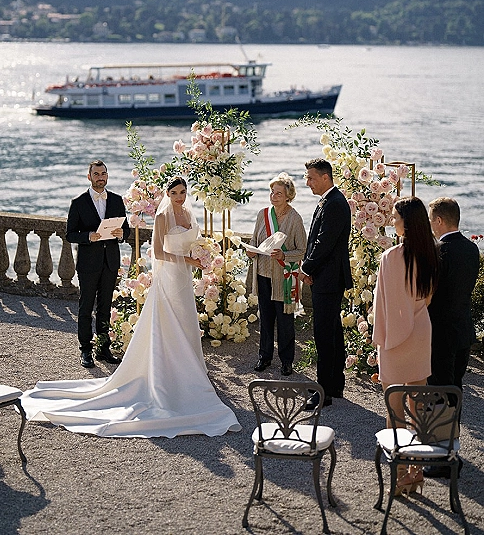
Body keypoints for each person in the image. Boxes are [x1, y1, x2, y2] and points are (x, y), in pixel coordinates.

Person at [21, 178, 241, 437]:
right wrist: (188, 259)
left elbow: (195, 242)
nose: (179, 197)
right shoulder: (163, 217)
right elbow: (158, 253)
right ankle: (166, 376)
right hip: (169, 276)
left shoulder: (190, 214)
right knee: (167, 323)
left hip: (184, 278)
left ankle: (190, 369)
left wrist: (202, 254)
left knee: (185, 320)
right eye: (174, 193)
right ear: (167, 194)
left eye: (182, 192)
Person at [372, 196, 440, 496]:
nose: (393, 222)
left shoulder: (390, 257)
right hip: (420, 330)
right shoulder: (432, 254)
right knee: (419, 405)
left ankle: (400, 472)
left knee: (394, 408)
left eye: (396, 218)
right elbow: (427, 298)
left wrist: (386, 335)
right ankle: (416, 471)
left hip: (392, 334)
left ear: (406, 223)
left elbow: (382, 303)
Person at [424, 197, 479, 479]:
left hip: (440, 333)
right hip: (463, 330)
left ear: (439, 221)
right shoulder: (472, 249)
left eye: (431, 220)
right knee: (454, 391)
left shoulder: (437, 251)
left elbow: (428, 296)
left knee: (439, 393)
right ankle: (451, 450)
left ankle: (443, 458)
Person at [66, 160, 130, 368]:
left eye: (103, 173)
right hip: (88, 263)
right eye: (96, 174)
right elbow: (70, 235)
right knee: (85, 307)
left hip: (110, 262)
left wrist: (122, 234)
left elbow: (126, 229)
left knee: (105, 308)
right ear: (89, 177)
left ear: (107, 176)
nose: (100, 177)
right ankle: (85, 350)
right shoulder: (78, 202)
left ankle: (103, 349)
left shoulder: (117, 201)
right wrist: (88, 236)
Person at [300, 158, 352, 409]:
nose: (307, 182)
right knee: (332, 330)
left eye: (310, 177)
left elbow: (324, 243)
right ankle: (334, 384)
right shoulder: (331, 201)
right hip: (327, 276)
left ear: (325, 177)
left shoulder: (335, 203)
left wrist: (305, 267)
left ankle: (324, 392)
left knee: (324, 333)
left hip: (328, 278)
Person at [247, 173, 306, 375]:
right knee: (266, 319)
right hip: (263, 274)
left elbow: (302, 250)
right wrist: (250, 251)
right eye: (272, 192)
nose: (274, 196)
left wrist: (284, 254)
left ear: (288, 195)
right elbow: (255, 243)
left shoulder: (295, 218)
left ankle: (287, 361)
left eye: (279, 193)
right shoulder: (262, 214)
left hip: (284, 278)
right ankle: (264, 357)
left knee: (285, 321)